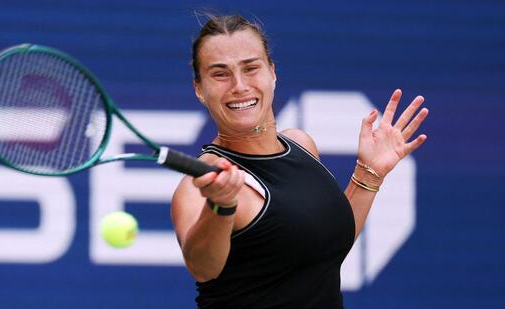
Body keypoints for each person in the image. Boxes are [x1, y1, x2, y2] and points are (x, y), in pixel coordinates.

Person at [171, 14, 429, 308]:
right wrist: (220, 206)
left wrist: (370, 175)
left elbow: (319, 248)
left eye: (251, 68)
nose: (239, 85)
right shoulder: (196, 188)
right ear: (199, 89)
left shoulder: (301, 144)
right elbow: (203, 267)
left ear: (273, 72)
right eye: (220, 74)